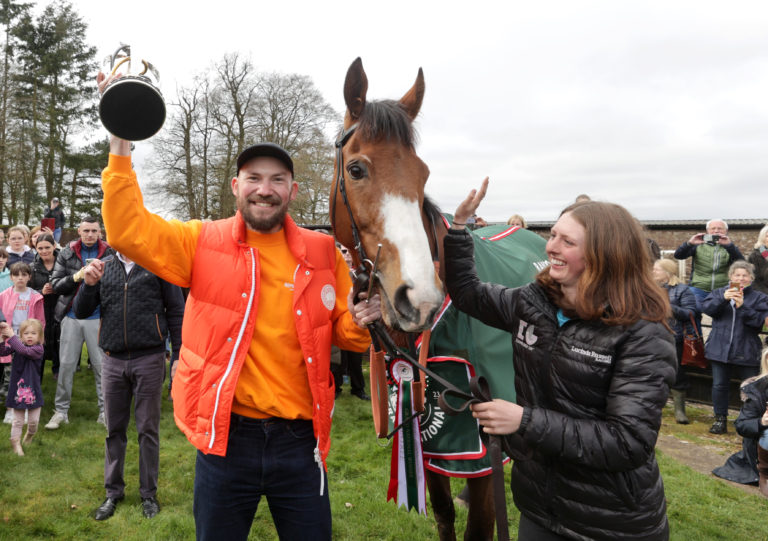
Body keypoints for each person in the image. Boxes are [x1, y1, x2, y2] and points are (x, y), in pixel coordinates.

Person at [97, 70, 381, 540]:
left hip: (300, 442)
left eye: (277, 180)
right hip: (225, 438)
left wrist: (365, 320)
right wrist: (121, 141)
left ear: (292, 190)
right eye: (253, 178)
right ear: (236, 186)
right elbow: (128, 230)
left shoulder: (322, 252)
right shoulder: (200, 242)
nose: (264, 189)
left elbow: (346, 332)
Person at [444, 178, 676, 540]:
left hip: (610, 521)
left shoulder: (642, 332)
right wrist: (458, 230)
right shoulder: (534, 303)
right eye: (552, 235)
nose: (551, 247)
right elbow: (468, 294)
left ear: (605, 254)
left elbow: (628, 441)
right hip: (539, 508)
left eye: (567, 242)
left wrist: (524, 420)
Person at [73, 252, 184, 521]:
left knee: (148, 429)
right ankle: (113, 492)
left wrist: (179, 355)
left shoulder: (158, 264)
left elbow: (177, 311)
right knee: (114, 429)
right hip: (112, 359)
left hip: (150, 357)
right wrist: (88, 285)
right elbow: (81, 310)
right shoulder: (103, 266)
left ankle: (148, 494)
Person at [45, 217, 114, 430]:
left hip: (99, 317)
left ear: (100, 232)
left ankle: (105, 412)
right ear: (79, 231)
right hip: (71, 316)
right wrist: (77, 276)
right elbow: (56, 284)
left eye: (94, 230)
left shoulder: (110, 253)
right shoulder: (67, 253)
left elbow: (115, 284)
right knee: (65, 366)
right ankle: (61, 412)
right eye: (86, 231)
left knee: (102, 368)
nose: (90, 234)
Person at [701, 260, 768, 434]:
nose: (741, 278)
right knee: (719, 385)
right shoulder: (719, 293)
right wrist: (723, 299)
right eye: (737, 275)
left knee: (751, 388)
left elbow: (760, 322)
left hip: (747, 349)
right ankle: (720, 419)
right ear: (730, 277)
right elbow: (707, 308)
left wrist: (742, 306)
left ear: (751, 278)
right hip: (719, 348)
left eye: (745, 275)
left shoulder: (760, 298)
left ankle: (748, 421)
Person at [712, 348, 768, 493]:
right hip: (761, 447)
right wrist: (761, 422)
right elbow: (742, 425)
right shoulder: (758, 389)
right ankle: (765, 475)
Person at [653, 258, 698, 424]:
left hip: (674, 337)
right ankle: (656, 405)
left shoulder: (682, 290)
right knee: (653, 371)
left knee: (676, 373)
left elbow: (690, 313)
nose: (653, 272)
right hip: (651, 336)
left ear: (667, 272)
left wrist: (668, 306)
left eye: (656, 269)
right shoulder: (650, 288)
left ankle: (680, 410)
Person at [0, 263, 45, 424]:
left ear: (29, 277)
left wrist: (38, 339)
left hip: (29, 341)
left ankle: (26, 407)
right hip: (10, 339)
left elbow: (41, 321)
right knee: (10, 377)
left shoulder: (35, 297)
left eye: (24, 275)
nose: (20, 278)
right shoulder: (4, 295)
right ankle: (11, 409)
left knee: (28, 377)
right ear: (11, 277)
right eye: (16, 275)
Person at [330, 243, 370, 401]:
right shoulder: (333, 272)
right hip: (339, 320)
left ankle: (358, 388)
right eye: (343, 251)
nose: (346, 254)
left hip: (355, 321)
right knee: (338, 360)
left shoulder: (359, 273)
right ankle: (337, 387)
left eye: (348, 251)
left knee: (356, 360)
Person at [1, 318, 44, 456]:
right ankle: (15, 442)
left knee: (33, 422)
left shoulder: (38, 349)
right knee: (18, 421)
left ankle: (30, 435)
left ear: (40, 336)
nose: (29, 336)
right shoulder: (18, 345)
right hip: (18, 391)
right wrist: (2, 339)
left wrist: (12, 337)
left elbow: (25, 351)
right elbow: (3, 352)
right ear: (21, 335)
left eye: (33, 333)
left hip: (33, 391)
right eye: (26, 333)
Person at [674, 219, 744, 304]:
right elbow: (678, 256)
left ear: (726, 231)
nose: (716, 231)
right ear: (707, 231)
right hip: (698, 288)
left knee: (722, 313)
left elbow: (741, 264)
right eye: (713, 228)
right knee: (693, 310)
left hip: (721, 289)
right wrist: (689, 244)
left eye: (720, 228)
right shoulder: (698, 244)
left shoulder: (730, 246)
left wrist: (729, 246)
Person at [29, 234, 61, 379]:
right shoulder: (32, 267)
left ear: (54, 246)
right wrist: (40, 292)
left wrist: (58, 288)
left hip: (61, 307)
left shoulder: (63, 263)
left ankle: (58, 369)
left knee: (60, 340)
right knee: (41, 340)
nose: (43, 251)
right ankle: (37, 375)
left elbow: (72, 284)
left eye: (47, 247)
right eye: (39, 248)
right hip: (41, 309)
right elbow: (26, 292)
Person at [747, 224, 768, 295]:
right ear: (762, 238)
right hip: (763, 296)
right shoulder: (755, 256)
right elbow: (754, 280)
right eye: (767, 236)